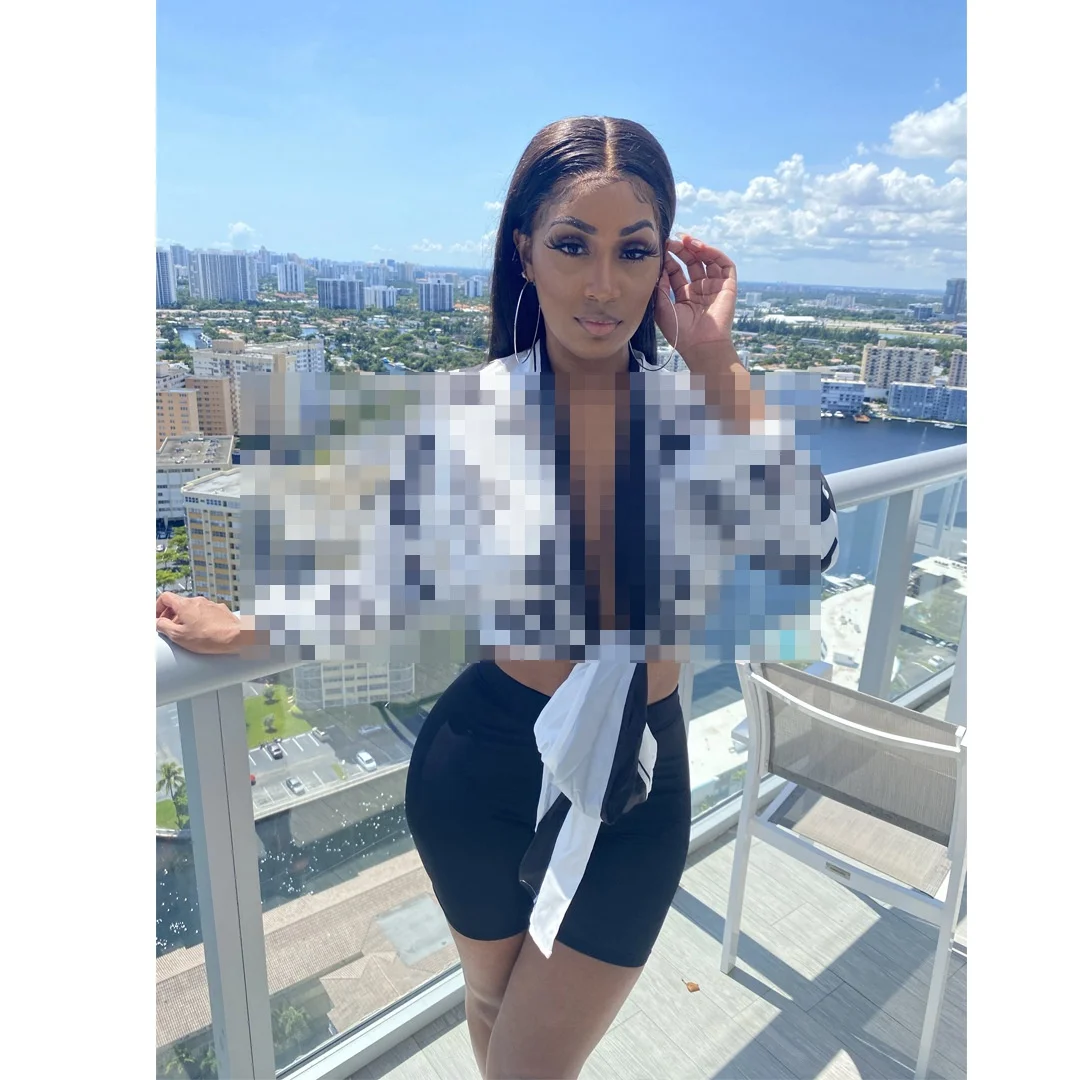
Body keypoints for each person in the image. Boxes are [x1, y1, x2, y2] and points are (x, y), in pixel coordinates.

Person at [157, 116, 835, 1079]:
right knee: (489, 1002)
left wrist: (717, 361)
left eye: (633, 250)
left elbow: (809, 548)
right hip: (481, 764)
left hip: (636, 780)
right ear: (525, 252)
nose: (602, 285)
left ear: (664, 268)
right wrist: (252, 628)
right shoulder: (475, 409)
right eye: (572, 245)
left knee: (530, 1065)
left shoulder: (702, 410)